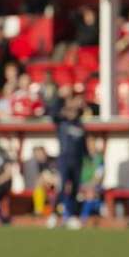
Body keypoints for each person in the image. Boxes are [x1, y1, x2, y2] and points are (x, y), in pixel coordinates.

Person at [48, 92, 89, 229]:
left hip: (77, 162)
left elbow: (83, 146)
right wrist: (63, 98)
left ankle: (71, 216)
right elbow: (52, 113)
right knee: (62, 188)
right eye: (70, 110)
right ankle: (54, 215)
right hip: (64, 160)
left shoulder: (80, 125)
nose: (72, 112)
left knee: (75, 190)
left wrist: (87, 157)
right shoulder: (62, 123)